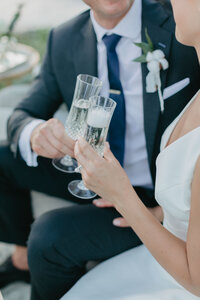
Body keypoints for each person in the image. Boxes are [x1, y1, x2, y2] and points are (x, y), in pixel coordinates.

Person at [0, 0, 199, 297]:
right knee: (3, 157)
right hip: (89, 170)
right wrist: (35, 133)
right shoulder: (64, 38)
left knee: (49, 236)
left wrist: (157, 209)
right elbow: (23, 113)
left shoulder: (181, 26)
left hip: (151, 195)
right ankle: (20, 257)